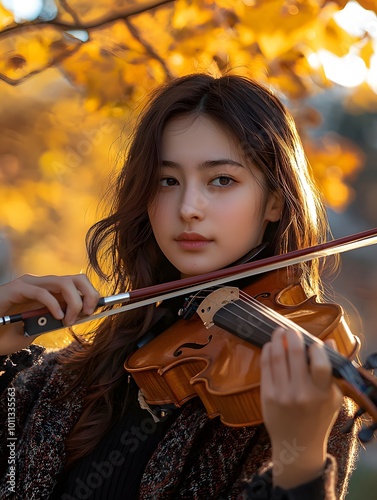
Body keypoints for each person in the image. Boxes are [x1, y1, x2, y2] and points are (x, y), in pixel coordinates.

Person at [0, 74, 360, 499]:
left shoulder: (307, 389)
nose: (188, 208)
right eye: (167, 180)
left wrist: (300, 464)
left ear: (275, 201)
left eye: (221, 180)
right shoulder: (74, 371)